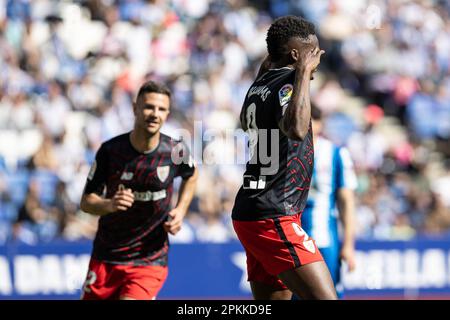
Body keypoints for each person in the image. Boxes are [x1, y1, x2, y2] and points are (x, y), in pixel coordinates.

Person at [231, 15, 337, 300]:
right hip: (273, 214)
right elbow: (297, 129)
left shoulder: (259, 85)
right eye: (313, 52)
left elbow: (245, 121)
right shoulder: (289, 83)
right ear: (296, 55)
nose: (317, 59)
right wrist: (301, 72)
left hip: (255, 210)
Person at [79, 80, 198, 300]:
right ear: (135, 108)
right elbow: (86, 202)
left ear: (167, 113)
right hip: (107, 256)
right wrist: (110, 204)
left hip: (149, 259)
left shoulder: (175, 150)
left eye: (161, 109)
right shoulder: (110, 151)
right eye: (149, 107)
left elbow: (191, 175)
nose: (155, 114)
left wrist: (180, 211)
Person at [299, 105, 357, 298]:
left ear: (320, 124)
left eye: (312, 121)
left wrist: (348, 244)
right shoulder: (286, 151)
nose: (308, 126)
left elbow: (346, 201)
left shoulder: (335, 153)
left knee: (329, 293)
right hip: (293, 237)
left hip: (325, 238)